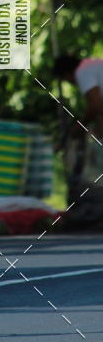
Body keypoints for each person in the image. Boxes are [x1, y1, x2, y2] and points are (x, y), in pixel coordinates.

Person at [53, 54, 103, 224]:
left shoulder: (83, 71)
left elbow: (96, 105)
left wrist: (78, 127)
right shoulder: (95, 64)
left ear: (67, 74)